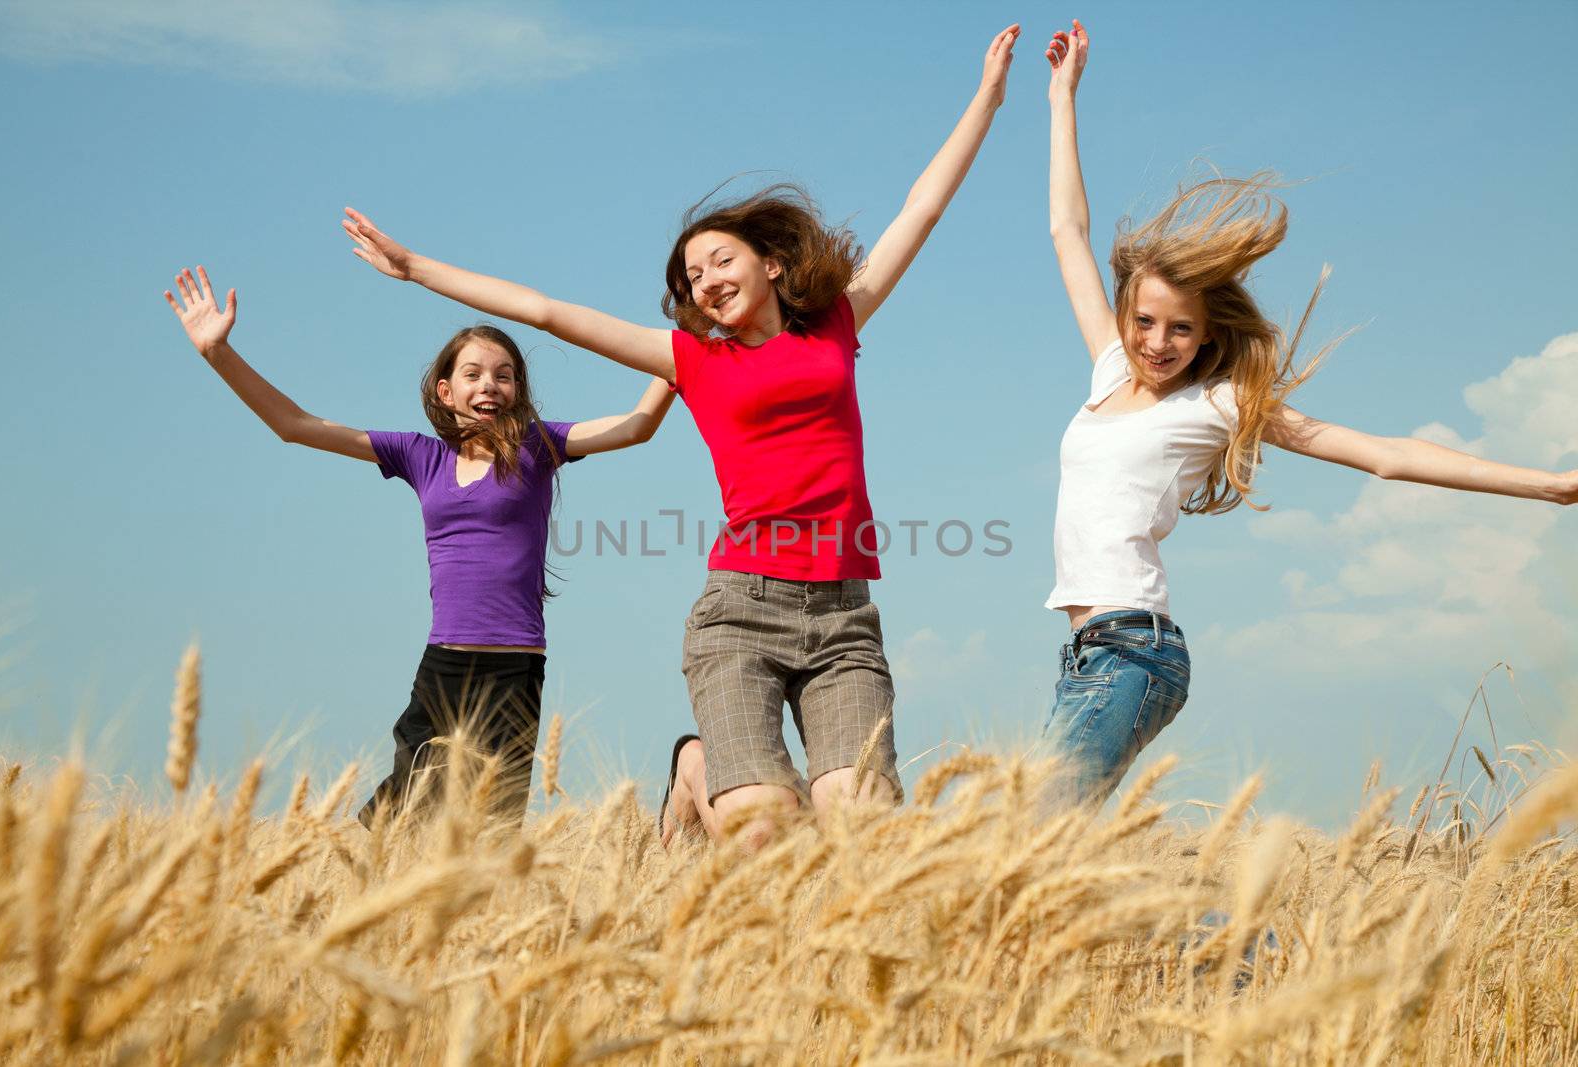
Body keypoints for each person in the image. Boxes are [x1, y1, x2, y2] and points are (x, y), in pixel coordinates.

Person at [342, 24, 1024, 851]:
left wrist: (986, 99)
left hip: (845, 614)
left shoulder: (837, 322)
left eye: (718, 260)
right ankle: (697, 769)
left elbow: (923, 207)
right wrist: (417, 268)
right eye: (692, 276)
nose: (705, 280)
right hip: (741, 609)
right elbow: (548, 311)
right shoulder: (691, 358)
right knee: (763, 826)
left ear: (771, 263)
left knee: (864, 819)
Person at [1039, 20, 1578, 809]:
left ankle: (1249, 941)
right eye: (1146, 322)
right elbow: (1067, 232)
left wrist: (1553, 485)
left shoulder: (1219, 402)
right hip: (1088, 652)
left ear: (1210, 334)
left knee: (1030, 845)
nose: (1158, 343)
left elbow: (1382, 455)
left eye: (1182, 328)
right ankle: (1224, 938)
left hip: (1134, 649)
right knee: (1049, 862)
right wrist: (1063, 97)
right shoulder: (1108, 368)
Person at [162, 266, 674, 826]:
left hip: (515, 666)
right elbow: (296, 424)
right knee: (401, 817)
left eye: (504, 376)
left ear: (518, 391)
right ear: (445, 391)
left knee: (492, 826)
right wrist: (218, 353)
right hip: (444, 665)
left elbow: (636, 426)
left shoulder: (539, 446)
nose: (490, 386)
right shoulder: (418, 456)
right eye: (474, 374)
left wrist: (681, 359)